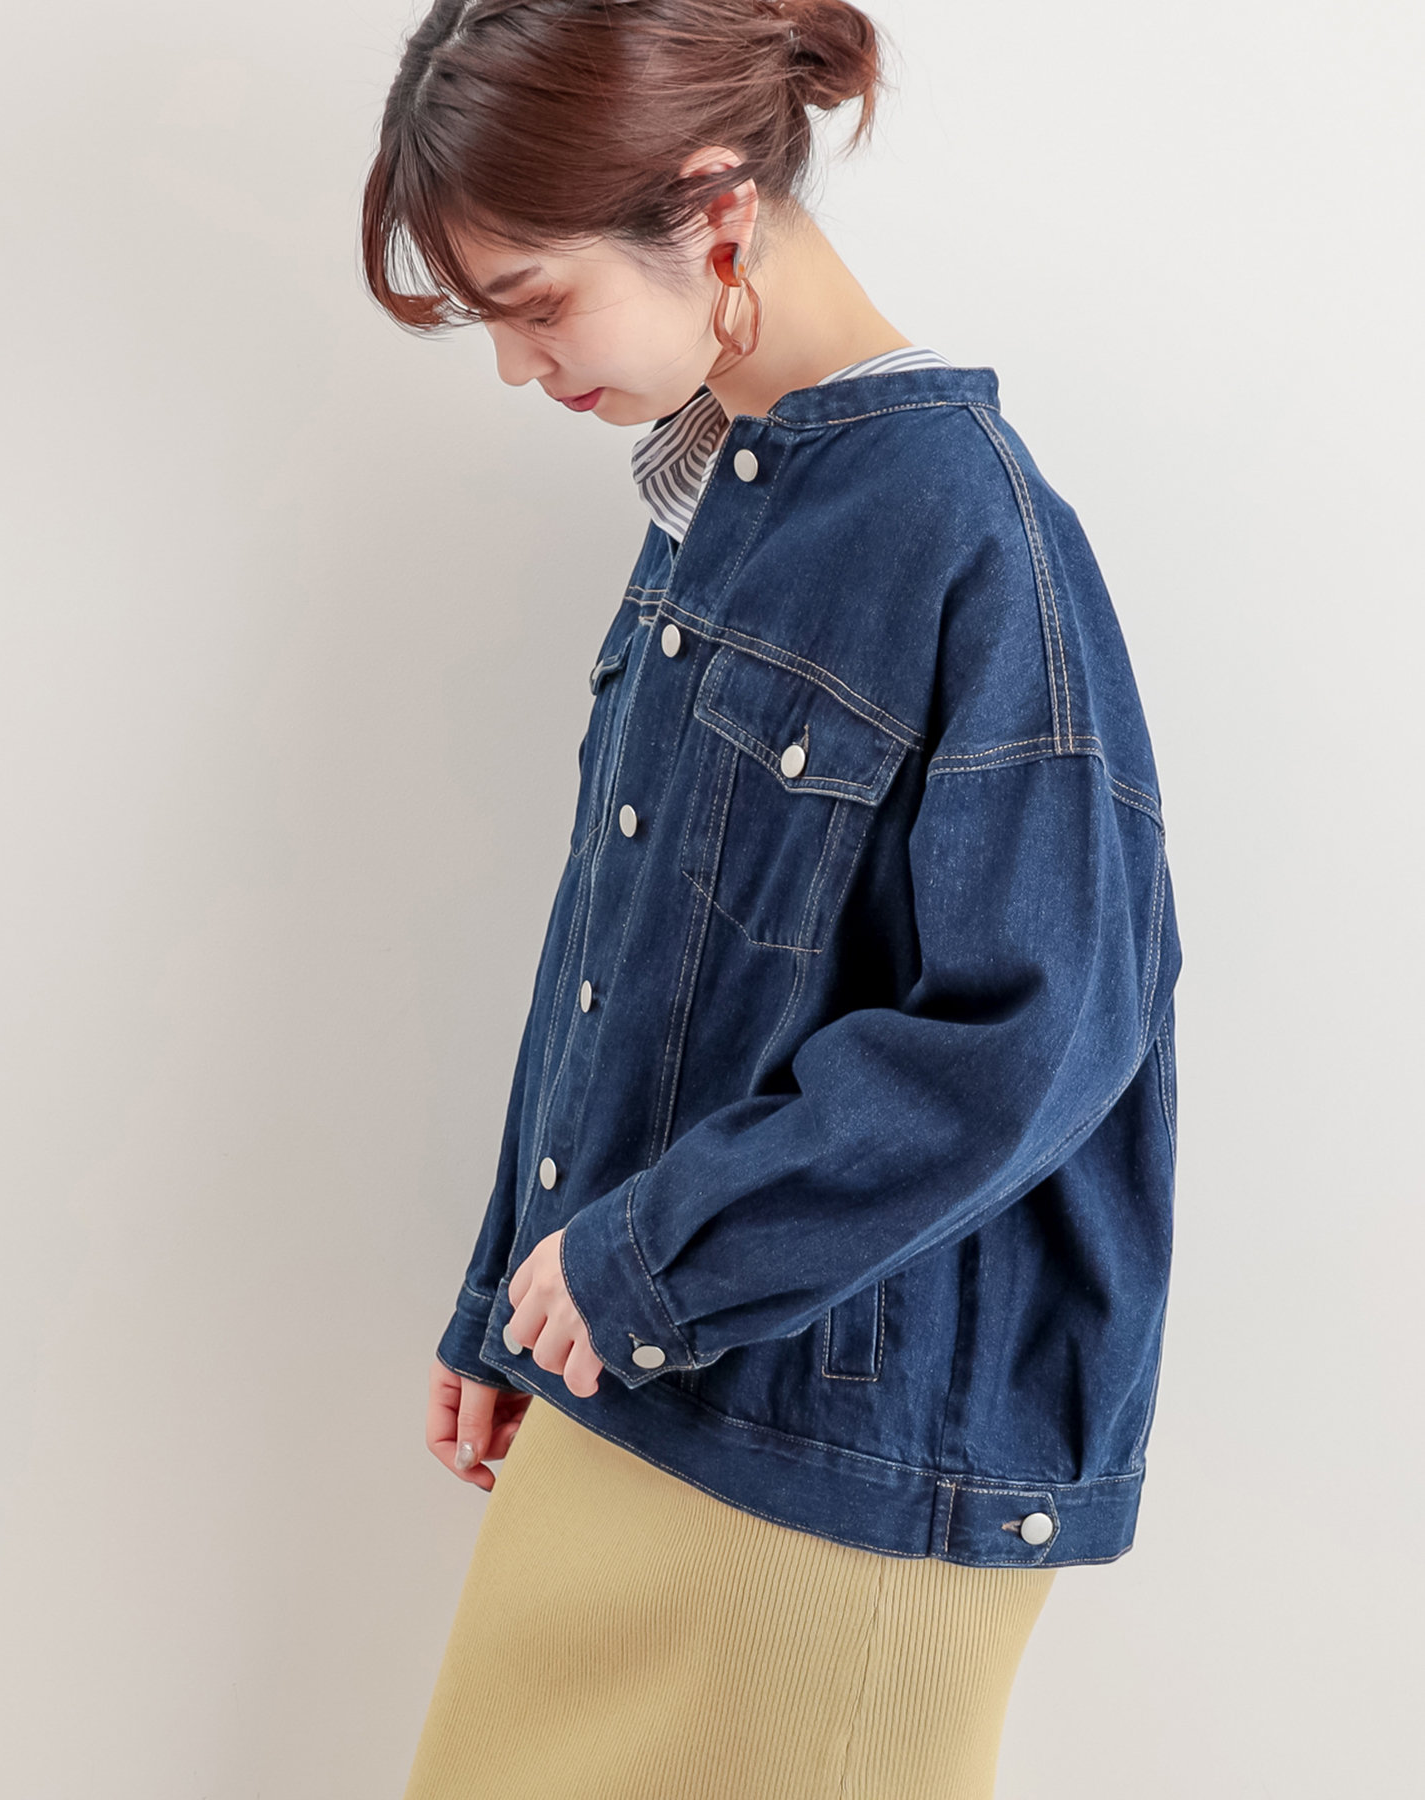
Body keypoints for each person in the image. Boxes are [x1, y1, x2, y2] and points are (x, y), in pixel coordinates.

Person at [361, 2, 1181, 1795]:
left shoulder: (976, 535)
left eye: (535, 304)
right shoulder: (721, 509)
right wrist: (513, 1290)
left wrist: (638, 1262)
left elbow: (1043, 1031)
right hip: (644, 1390)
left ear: (716, 212)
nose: (516, 369)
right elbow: (622, 960)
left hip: (841, 1479)